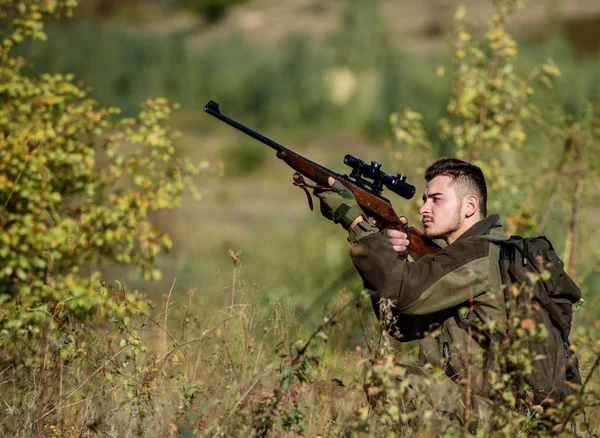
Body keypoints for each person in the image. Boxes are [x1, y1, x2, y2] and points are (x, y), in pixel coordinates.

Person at [315, 158, 516, 427]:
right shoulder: (455, 260)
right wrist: (391, 258)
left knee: (392, 380)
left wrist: (358, 227)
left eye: (436, 199)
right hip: (470, 407)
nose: (423, 209)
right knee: (318, 393)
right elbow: (399, 325)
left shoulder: (480, 254)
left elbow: (405, 295)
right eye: (424, 199)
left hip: (498, 418)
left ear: (470, 206)